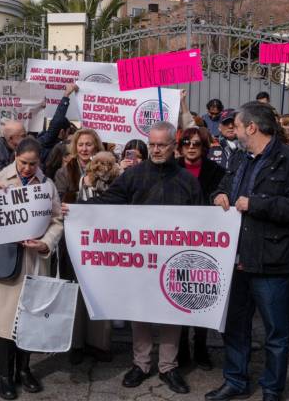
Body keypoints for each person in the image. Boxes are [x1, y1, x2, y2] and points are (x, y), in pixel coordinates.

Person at [67, 121, 201, 395]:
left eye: (161, 144)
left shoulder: (188, 181)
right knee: (140, 311)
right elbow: (109, 202)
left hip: (174, 260)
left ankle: (168, 367)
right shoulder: (133, 176)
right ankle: (140, 364)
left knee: (171, 313)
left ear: (173, 146)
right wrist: (79, 209)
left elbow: (202, 219)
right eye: (151, 144)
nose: (155, 149)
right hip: (141, 260)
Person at [207, 102, 289, 401]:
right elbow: (223, 187)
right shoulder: (240, 158)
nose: (235, 130)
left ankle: (271, 389)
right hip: (237, 260)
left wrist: (256, 204)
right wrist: (219, 196)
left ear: (251, 127)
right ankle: (235, 380)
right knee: (234, 327)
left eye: (238, 126)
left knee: (275, 334)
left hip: (272, 262)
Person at [0, 137, 63, 400]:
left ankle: (25, 370)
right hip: (3, 263)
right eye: (23, 162)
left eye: (33, 163)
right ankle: (5, 377)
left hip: (33, 260)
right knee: (5, 323)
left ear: (40, 161)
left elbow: (57, 221)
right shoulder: (0, 178)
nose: (28, 168)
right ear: (14, 157)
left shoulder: (47, 185)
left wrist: (45, 243)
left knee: (28, 321)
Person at [53, 129, 111, 364]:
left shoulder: (109, 168)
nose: (85, 149)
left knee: (100, 291)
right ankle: (75, 344)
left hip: (102, 241)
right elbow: (56, 199)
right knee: (75, 291)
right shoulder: (64, 170)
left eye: (89, 144)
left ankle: (98, 343)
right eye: (81, 144)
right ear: (75, 147)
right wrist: (79, 191)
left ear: (96, 147)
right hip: (74, 240)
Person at [176, 127, 226, 371]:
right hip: (175, 240)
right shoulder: (171, 168)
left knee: (203, 294)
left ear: (204, 147)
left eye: (196, 143)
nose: (191, 146)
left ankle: (202, 347)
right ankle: (182, 347)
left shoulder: (217, 172)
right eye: (186, 142)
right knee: (179, 293)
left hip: (206, 241)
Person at [38, 84, 75, 164]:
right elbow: (57, 120)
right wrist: (66, 95)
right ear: (62, 132)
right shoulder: (48, 142)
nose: (67, 136)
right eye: (68, 132)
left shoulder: (42, 140)